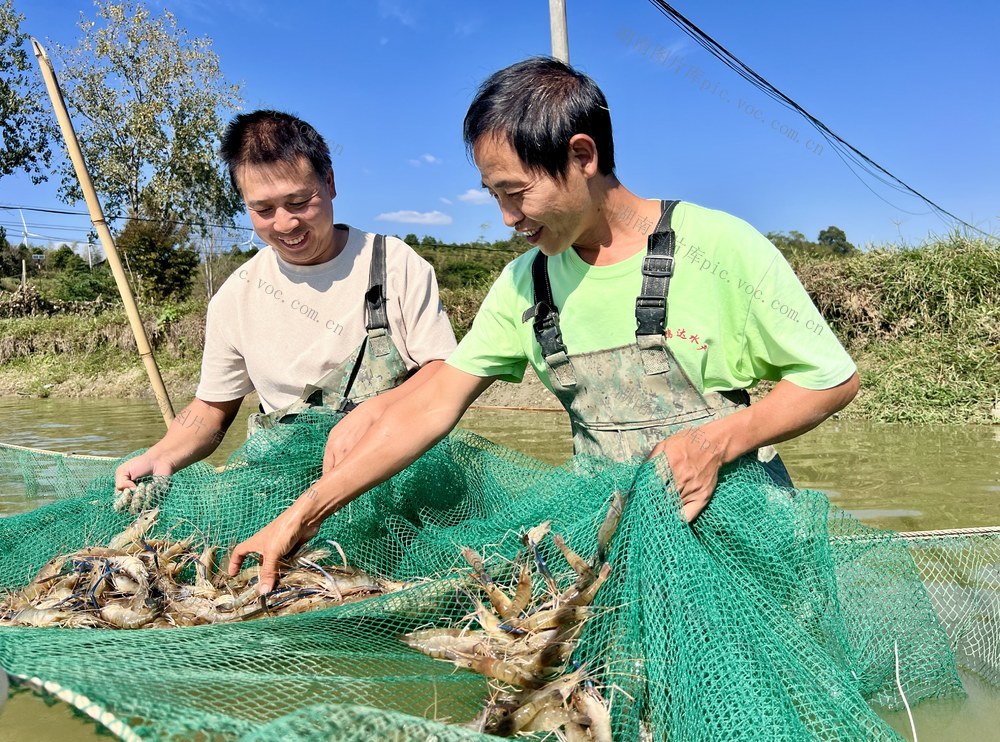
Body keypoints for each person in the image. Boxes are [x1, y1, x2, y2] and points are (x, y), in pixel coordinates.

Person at [229, 59, 859, 594]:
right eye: (493, 195)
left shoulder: (718, 246)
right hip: (610, 552)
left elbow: (830, 380)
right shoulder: (525, 283)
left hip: (743, 547)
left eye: (516, 192)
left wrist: (718, 441)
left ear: (581, 156)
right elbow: (431, 405)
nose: (506, 217)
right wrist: (299, 516)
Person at [114, 110, 457, 511]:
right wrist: (162, 455)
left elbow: (444, 372)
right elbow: (212, 408)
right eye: (263, 210)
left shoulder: (394, 264)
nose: (285, 223)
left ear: (329, 183)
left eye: (299, 201)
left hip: (396, 484)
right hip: (277, 492)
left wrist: (378, 410)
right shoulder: (235, 296)